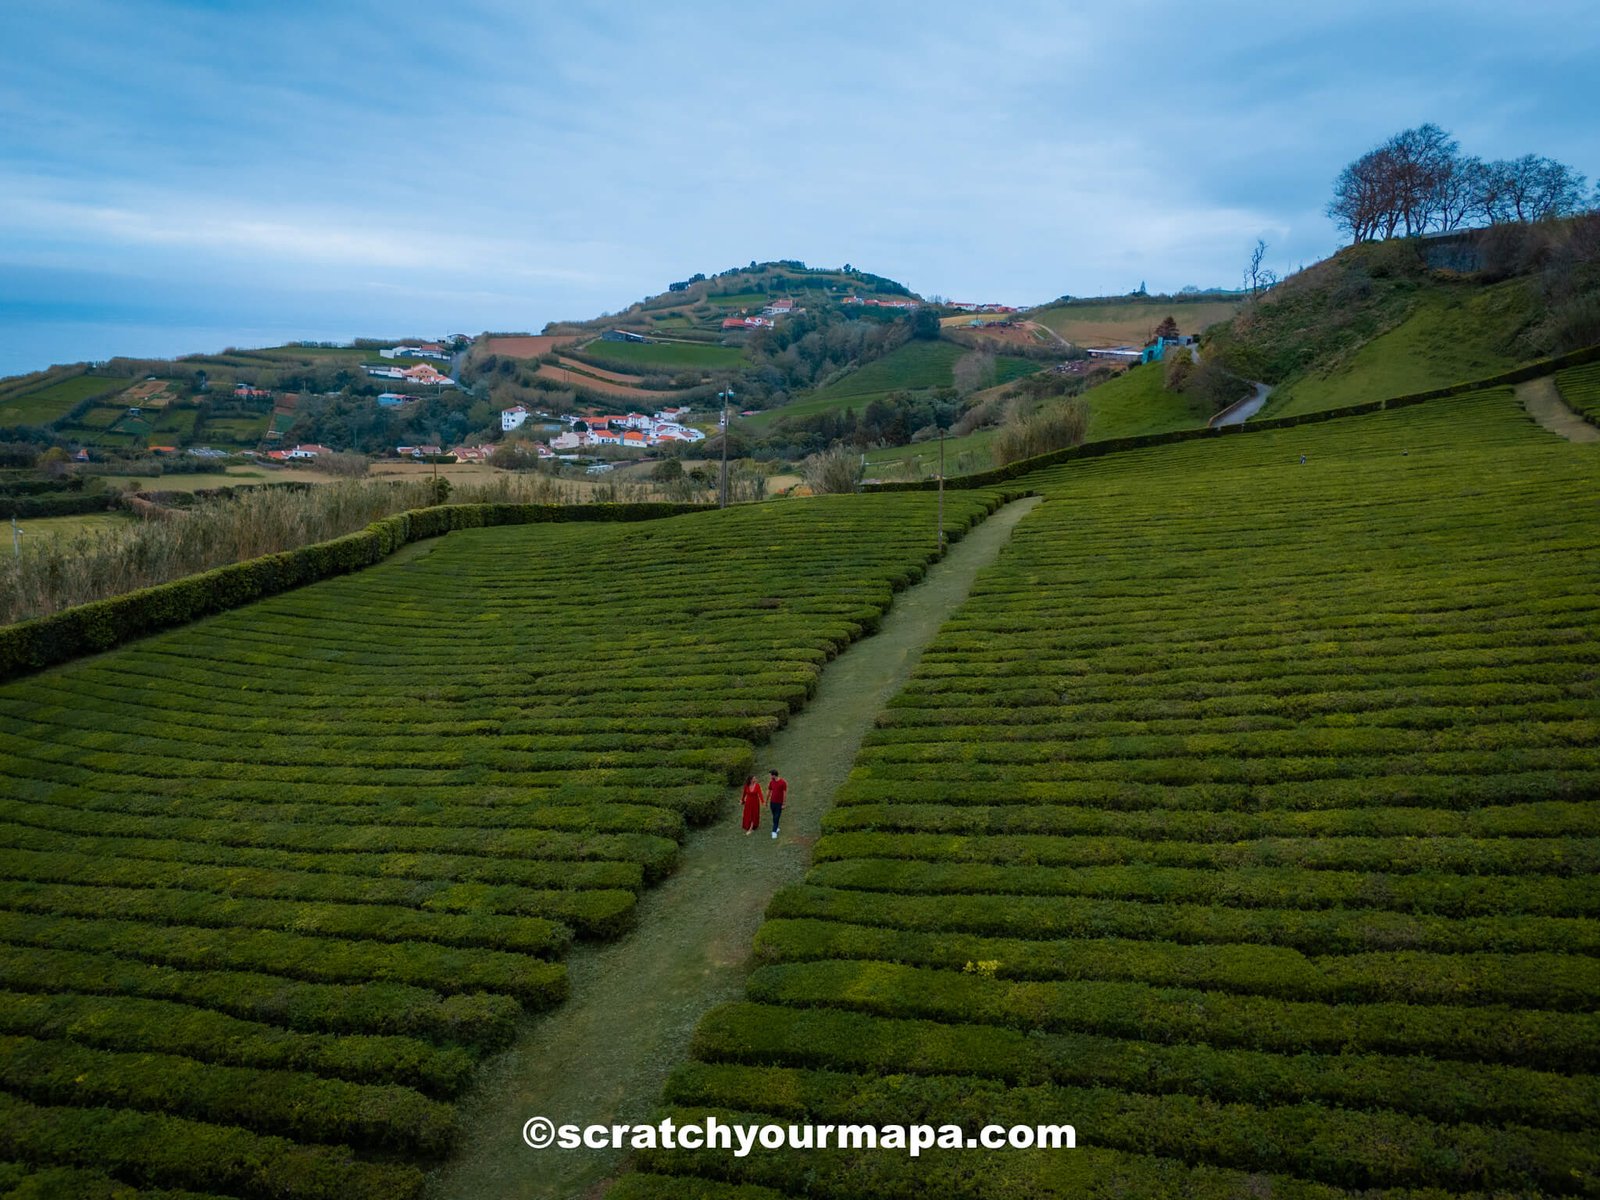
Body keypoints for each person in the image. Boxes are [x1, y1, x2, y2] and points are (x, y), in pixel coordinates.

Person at [767, 769, 788, 839]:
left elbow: (784, 794)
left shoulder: (783, 782)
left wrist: (784, 804)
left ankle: (774, 832)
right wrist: (766, 801)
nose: (769, 776)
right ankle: (776, 828)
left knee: (777, 817)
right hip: (772, 802)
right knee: (774, 816)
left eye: (770, 775)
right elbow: (769, 791)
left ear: (774, 775)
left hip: (779, 803)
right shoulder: (771, 782)